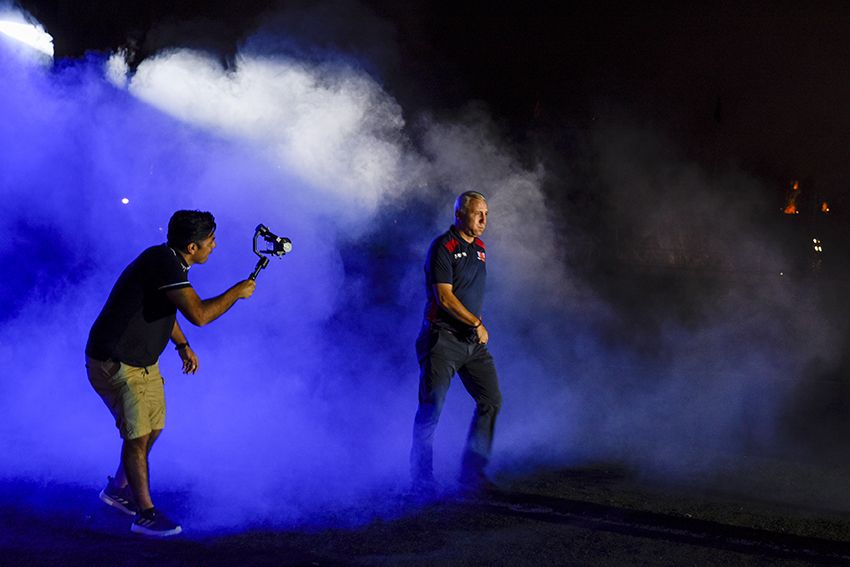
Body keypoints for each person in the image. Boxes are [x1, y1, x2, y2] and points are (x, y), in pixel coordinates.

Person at [85, 210, 255, 536]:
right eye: (210, 241)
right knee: (137, 437)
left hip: (142, 362)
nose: (214, 246)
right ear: (192, 247)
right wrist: (237, 291)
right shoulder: (164, 263)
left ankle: (117, 490)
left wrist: (181, 345)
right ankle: (145, 514)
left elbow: (165, 308)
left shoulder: (168, 262)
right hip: (115, 362)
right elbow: (200, 315)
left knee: (153, 429)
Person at [410, 191, 502, 496]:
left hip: (472, 343)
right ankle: (421, 481)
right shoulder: (443, 246)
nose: (484, 220)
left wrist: (475, 323)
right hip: (442, 340)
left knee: (490, 400)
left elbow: (469, 292)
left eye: (486, 214)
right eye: (477, 213)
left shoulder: (481, 249)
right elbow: (445, 298)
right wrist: (476, 323)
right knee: (431, 410)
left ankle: (472, 475)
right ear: (460, 214)